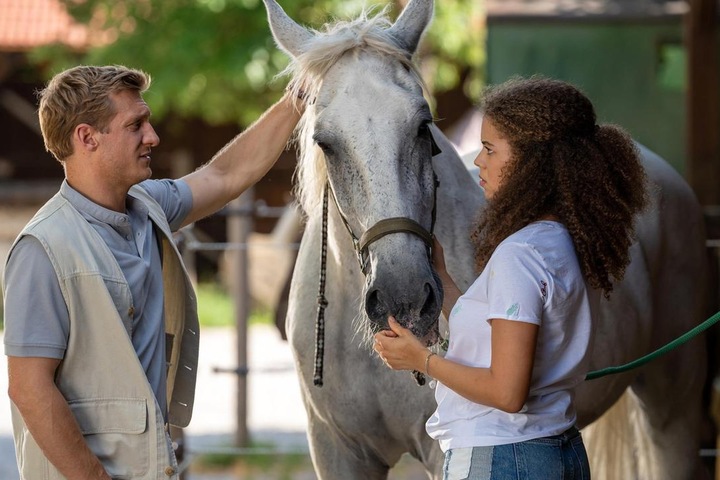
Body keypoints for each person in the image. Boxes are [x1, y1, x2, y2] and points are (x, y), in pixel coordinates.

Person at [3, 65, 303, 479]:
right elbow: (29, 390)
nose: (153, 137)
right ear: (87, 137)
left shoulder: (149, 206)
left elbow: (225, 174)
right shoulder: (42, 249)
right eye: (135, 125)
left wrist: (299, 96)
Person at [373, 76, 648, 479]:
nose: (478, 161)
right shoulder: (556, 242)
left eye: (489, 149)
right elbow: (497, 334)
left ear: (531, 162)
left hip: (502, 457)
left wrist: (421, 360)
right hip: (555, 451)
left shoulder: (518, 256)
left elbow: (507, 392)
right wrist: (445, 279)